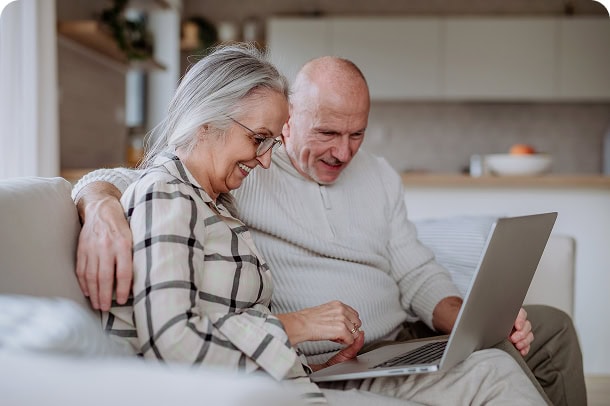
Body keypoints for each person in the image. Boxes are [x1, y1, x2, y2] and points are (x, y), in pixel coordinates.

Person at [71, 53, 575, 405]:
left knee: (538, 334)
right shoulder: (233, 172)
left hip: (393, 339)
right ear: (289, 123)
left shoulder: (374, 177)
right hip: (321, 362)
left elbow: (417, 272)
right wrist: (98, 205)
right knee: (496, 369)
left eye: (357, 134)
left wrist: (474, 322)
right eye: (327, 133)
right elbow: (148, 179)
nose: (343, 151)